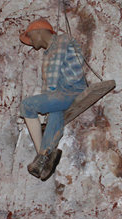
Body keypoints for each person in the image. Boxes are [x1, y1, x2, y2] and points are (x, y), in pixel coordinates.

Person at [19, 18, 87, 180]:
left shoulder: (62, 41)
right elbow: (50, 83)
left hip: (71, 91)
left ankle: (42, 157)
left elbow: (53, 77)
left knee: (27, 105)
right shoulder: (49, 51)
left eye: (31, 37)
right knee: (55, 114)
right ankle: (47, 155)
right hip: (61, 94)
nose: (30, 42)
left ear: (38, 32)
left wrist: (48, 97)